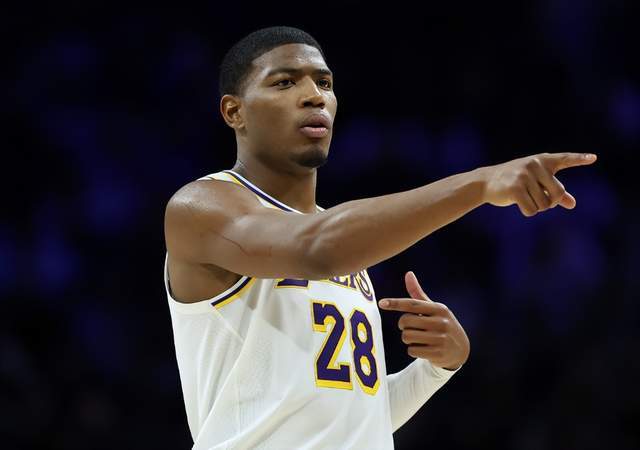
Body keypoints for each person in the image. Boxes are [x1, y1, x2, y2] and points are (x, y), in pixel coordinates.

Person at [163, 26, 597, 449]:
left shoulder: (341, 238)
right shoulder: (200, 207)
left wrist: (436, 368)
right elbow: (317, 248)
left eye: (324, 82)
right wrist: (480, 184)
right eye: (285, 82)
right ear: (234, 112)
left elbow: (355, 416)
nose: (314, 95)